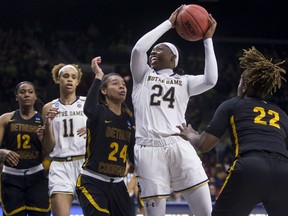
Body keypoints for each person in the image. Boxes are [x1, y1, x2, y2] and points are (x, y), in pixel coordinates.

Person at [175, 46, 288, 216]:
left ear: (245, 84)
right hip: (284, 170)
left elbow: (205, 145)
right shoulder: (281, 113)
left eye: (241, 80)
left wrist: (191, 134)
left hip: (251, 166)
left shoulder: (233, 104)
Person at [130, 5, 218, 216]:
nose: (153, 51)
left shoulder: (185, 81)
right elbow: (138, 50)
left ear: (173, 58)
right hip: (147, 148)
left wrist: (207, 40)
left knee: (205, 212)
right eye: (154, 49)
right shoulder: (142, 76)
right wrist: (169, 23)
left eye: (160, 49)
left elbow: (211, 79)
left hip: (178, 144)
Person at [75, 56, 135, 216]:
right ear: (104, 90)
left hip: (117, 184)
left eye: (123, 84)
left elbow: (132, 152)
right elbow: (88, 109)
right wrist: (98, 76)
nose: (122, 87)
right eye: (115, 84)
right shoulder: (98, 112)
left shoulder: (129, 119)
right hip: (92, 181)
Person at [42, 64, 87, 216]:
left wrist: (92, 132)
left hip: (85, 165)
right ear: (58, 79)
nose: (69, 80)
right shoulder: (48, 108)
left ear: (78, 82)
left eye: (73, 77)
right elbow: (48, 148)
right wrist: (48, 124)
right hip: (60, 166)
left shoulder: (87, 104)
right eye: (65, 76)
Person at [0, 81, 51, 215]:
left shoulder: (44, 121)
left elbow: (50, 151)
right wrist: (2, 151)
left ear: (35, 96)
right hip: (11, 179)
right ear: (16, 97)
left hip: (37, 177)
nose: (26, 95)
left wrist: (44, 140)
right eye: (22, 92)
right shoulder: (6, 119)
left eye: (30, 92)